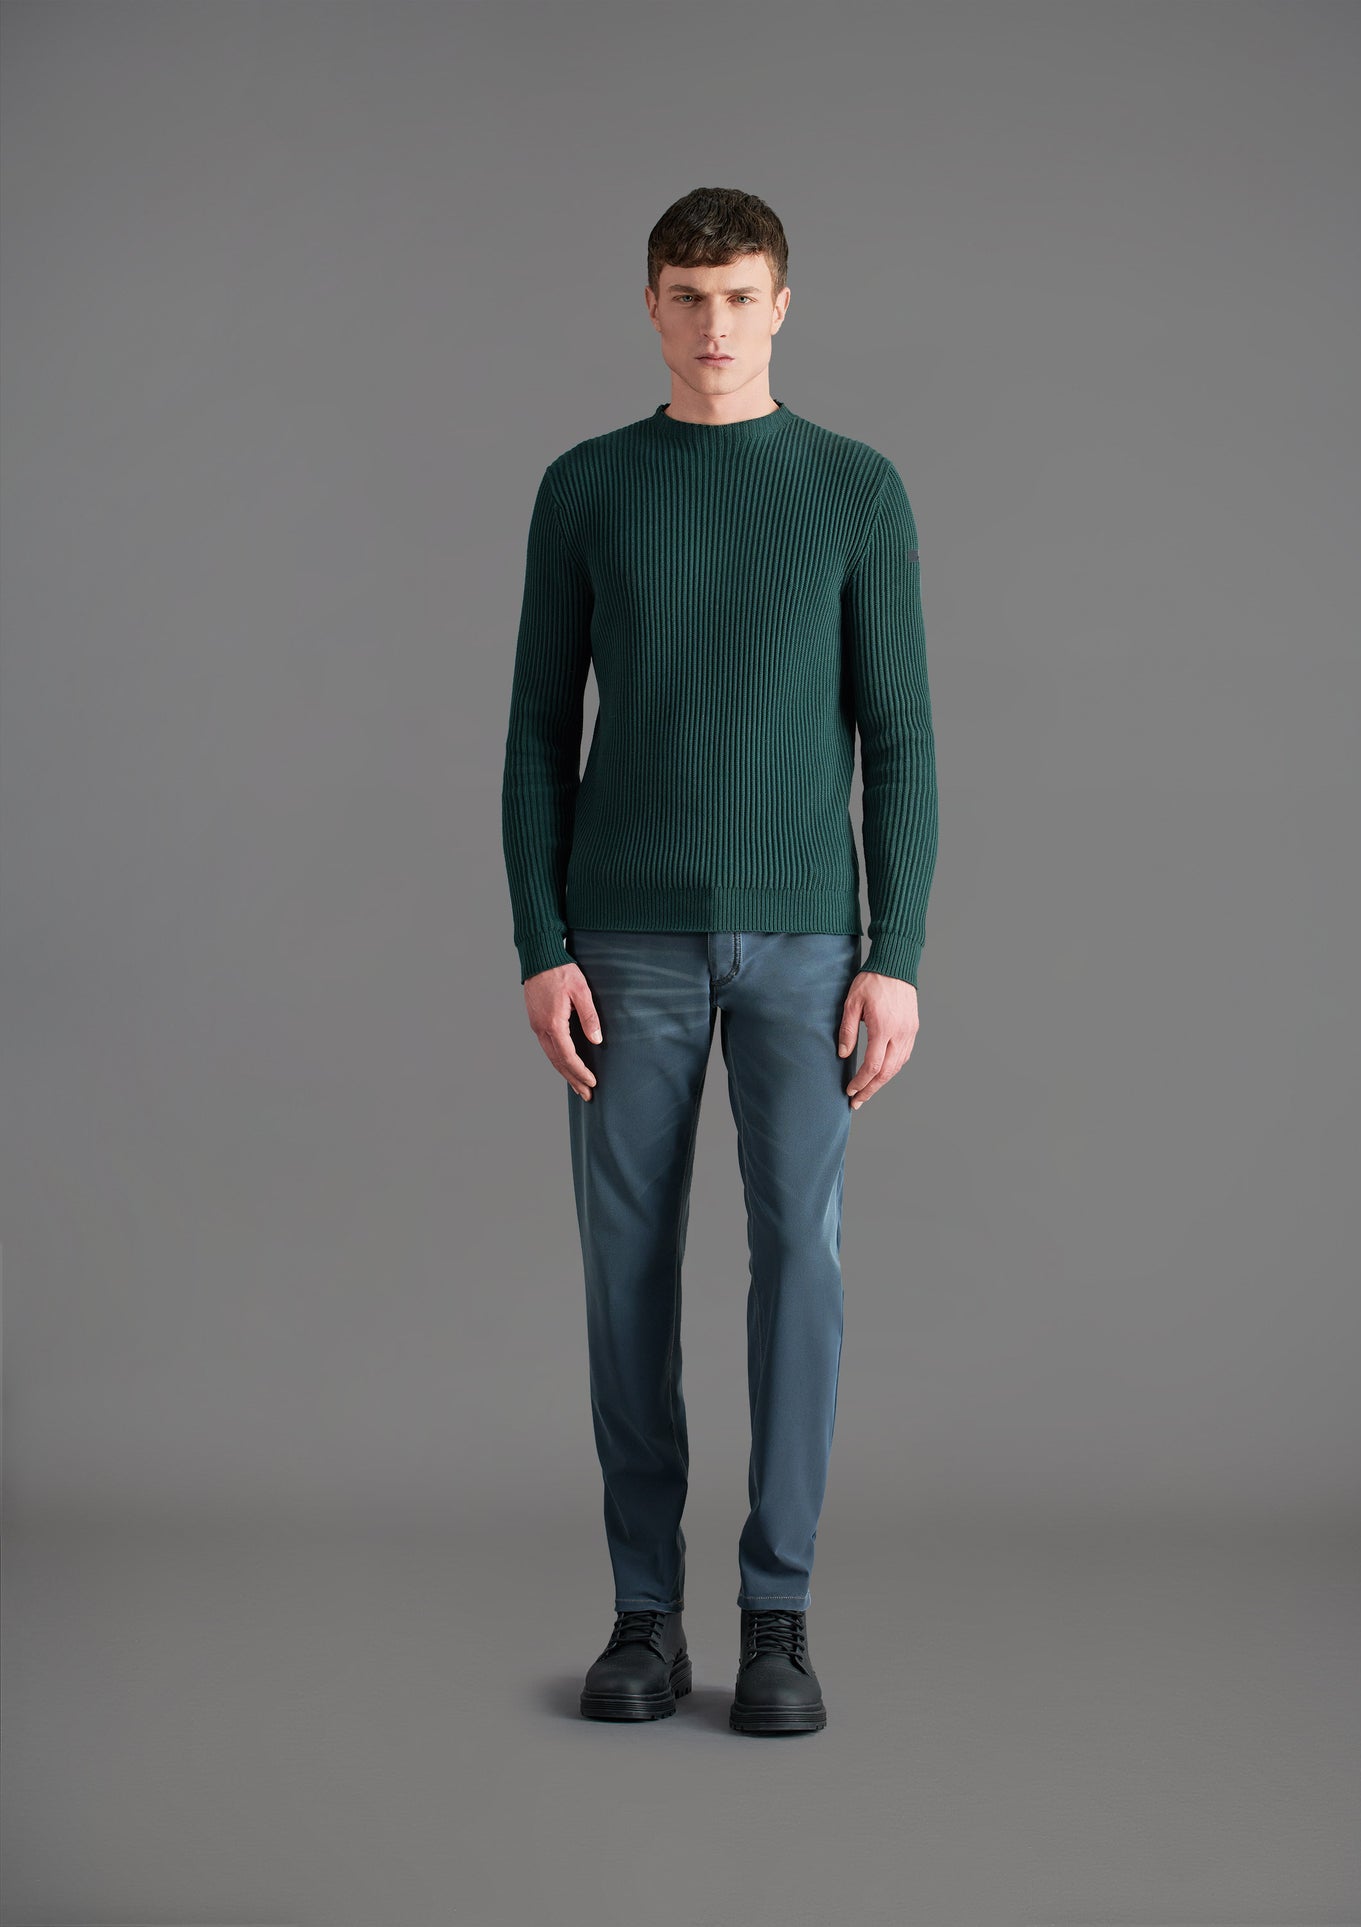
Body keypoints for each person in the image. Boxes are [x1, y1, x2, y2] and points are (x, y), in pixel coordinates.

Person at [501, 186, 939, 1735]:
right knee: (624, 1273)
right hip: (622, 946)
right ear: (649, 306)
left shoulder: (852, 488)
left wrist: (895, 953)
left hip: (806, 947)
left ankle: (776, 1618)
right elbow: (538, 732)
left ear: (780, 304)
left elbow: (897, 734)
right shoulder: (588, 487)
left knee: (800, 1263)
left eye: (739, 296)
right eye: (687, 297)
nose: (713, 325)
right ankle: (643, 1615)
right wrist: (541, 942)